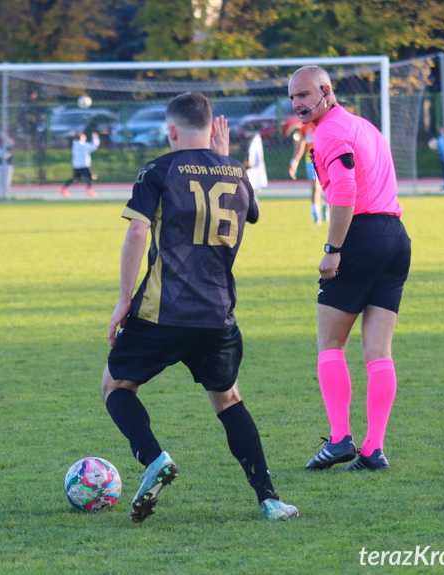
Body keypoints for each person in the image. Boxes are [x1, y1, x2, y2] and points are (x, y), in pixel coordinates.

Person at [101, 91, 299, 523]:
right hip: (217, 314)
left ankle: (153, 458)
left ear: (171, 130)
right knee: (228, 399)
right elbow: (254, 213)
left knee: (116, 387)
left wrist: (122, 300)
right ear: (212, 130)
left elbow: (137, 234)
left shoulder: (157, 169)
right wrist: (224, 161)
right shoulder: (235, 171)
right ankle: (269, 500)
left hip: (161, 311)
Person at [288, 66, 411, 472]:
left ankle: (341, 439)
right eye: (292, 98)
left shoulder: (330, 132)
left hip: (360, 236)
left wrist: (333, 250)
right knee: (378, 351)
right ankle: (374, 450)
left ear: (326, 90)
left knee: (330, 344)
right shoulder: (366, 128)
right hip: (395, 235)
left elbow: (344, 189)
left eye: (304, 95)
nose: (298, 104)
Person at [289, 122, 328, 224]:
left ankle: (325, 206)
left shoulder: (322, 123)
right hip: (311, 161)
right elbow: (300, 147)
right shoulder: (305, 127)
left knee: (328, 187)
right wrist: (293, 163)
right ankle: (316, 215)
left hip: (324, 160)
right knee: (315, 187)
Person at [60, 131, 100, 198]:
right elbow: (93, 147)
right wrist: (95, 138)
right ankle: (88, 190)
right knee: (92, 177)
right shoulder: (82, 145)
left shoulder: (75, 145)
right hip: (83, 165)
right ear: (81, 137)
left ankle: (64, 188)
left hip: (76, 165)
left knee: (75, 179)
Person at [0, 133, 14, 199]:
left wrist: (6, 140)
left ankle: (6, 194)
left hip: (8, 164)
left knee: (7, 180)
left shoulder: (9, 142)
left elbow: (11, 147)